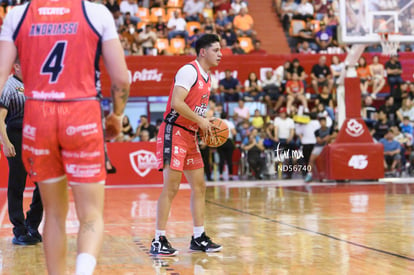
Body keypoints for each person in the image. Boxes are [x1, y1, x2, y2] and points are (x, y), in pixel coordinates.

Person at [0, 1, 130, 274]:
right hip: (81, 113)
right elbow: (121, 79)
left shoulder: (17, 15)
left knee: (54, 215)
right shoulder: (96, 13)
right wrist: (117, 115)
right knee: (90, 214)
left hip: (38, 116)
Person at [150, 34, 222, 256]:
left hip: (191, 135)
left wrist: (204, 123)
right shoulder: (189, 71)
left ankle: (199, 237)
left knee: (200, 186)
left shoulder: (208, 78)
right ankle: (158, 239)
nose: (220, 54)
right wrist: (200, 120)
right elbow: (176, 103)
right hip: (174, 132)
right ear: (203, 52)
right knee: (171, 187)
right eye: (216, 50)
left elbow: (194, 109)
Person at [0, 59, 43, 246]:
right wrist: (5, 141)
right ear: (16, 66)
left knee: (44, 183)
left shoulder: (35, 85)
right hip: (16, 136)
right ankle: (18, 230)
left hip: (35, 136)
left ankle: (32, 224)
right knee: (17, 184)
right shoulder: (9, 86)